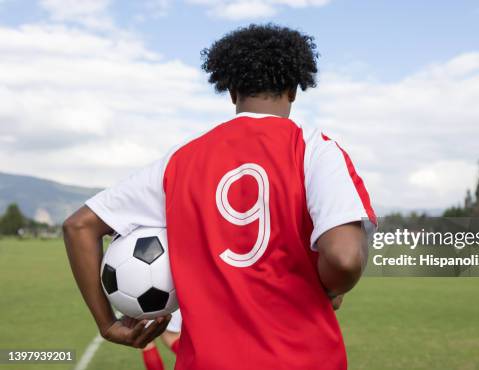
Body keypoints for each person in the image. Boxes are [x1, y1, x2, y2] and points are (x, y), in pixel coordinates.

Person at [63, 23, 376, 370]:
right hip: (305, 359)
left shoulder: (181, 160)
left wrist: (107, 323)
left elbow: (79, 226)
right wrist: (333, 288)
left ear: (230, 90)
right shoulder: (316, 151)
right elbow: (345, 258)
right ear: (293, 88)